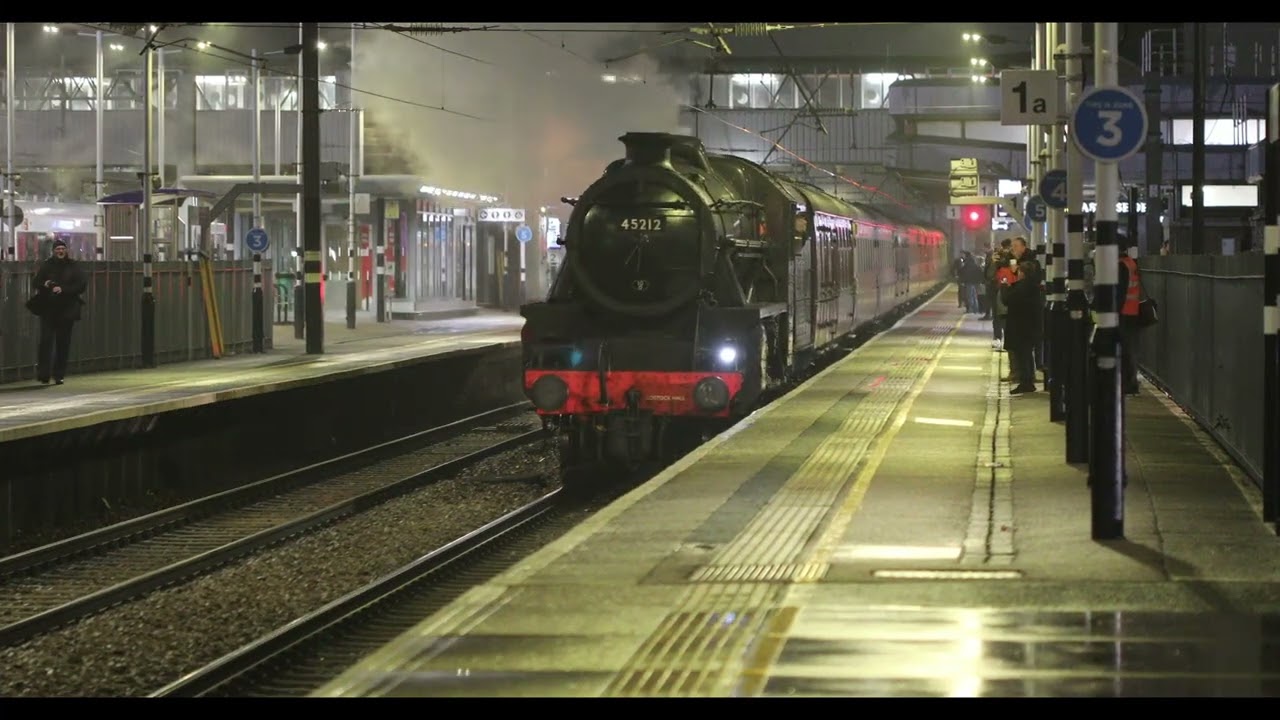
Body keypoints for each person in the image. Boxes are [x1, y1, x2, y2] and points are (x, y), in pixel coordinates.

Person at [30, 239, 88, 385]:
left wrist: (63, 289)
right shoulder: (47, 265)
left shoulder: (73, 266)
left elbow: (81, 285)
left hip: (66, 310)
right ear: (53, 251)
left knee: (63, 343)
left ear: (66, 250)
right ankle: (44, 373)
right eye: (58, 249)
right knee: (45, 341)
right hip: (49, 309)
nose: (60, 251)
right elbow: (35, 282)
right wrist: (45, 284)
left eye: (62, 249)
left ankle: (59, 374)